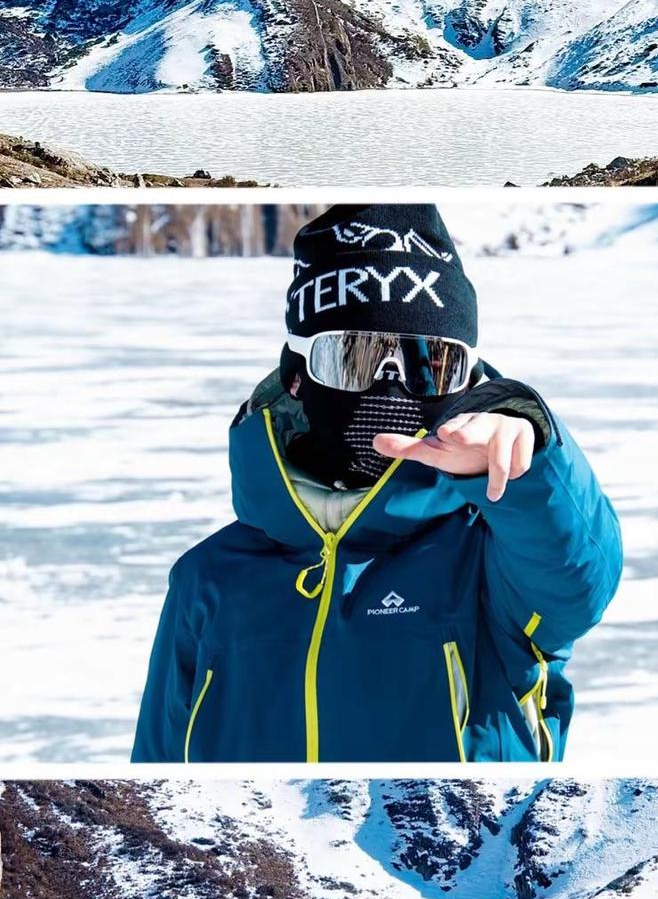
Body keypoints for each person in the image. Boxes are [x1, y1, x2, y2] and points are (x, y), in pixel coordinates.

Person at [132, 204, 622, 764]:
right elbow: (160, 760)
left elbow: (578, 583)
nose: (390, 384)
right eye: (352, 356)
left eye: (431, 364)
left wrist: (523, 465)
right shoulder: (210, 576)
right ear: (296, 376)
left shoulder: (489, 560)